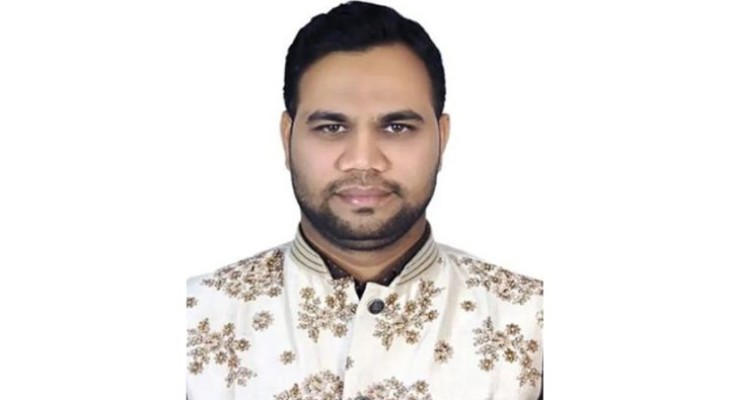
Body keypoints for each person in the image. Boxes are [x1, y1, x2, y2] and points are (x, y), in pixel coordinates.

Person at [186, 2, 543, 399]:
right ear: (287, 138)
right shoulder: (194, 318)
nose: (363, 160)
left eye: (397, 127)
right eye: (331, 127)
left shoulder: (534, 326)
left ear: (442, 138)